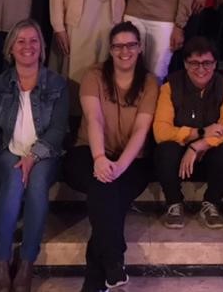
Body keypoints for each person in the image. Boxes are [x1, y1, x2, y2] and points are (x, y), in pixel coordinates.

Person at [0, 19, 69, 292]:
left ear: (42, 47)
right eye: (21, 41)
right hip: (8, 151)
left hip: (45, 154)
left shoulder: (57, 83)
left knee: (37, 185)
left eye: (33, 40)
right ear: (11, 48)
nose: (27, 46)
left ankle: (26, 263)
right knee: (12, 185)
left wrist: (33, 157)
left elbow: (58, 130)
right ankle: (1, 263)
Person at [64, 21, 158, 292]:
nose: (124, 51)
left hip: (133, 160)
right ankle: (115, 261)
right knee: (104, 187)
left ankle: (97, 279)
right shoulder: (93, 76)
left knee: (106, 192)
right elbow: (94, 118)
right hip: (88, 152)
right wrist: (99, 159)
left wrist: (119, 166)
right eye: (118, 46)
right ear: (111, 49)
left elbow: (141, 130)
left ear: (139, 48)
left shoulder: (150, 83)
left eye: (130, 45)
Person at [153, 37, 223, 230]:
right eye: (194, 63)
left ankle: (211, 203)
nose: (201, 69)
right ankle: (174, 203)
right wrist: (199, 132)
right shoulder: (170, 87)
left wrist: (199, 145)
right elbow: (160, 131)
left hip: (210, 153)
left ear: (215, 64)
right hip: (180, 157)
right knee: (164, 150)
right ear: (185, 64)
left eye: (207, 63)